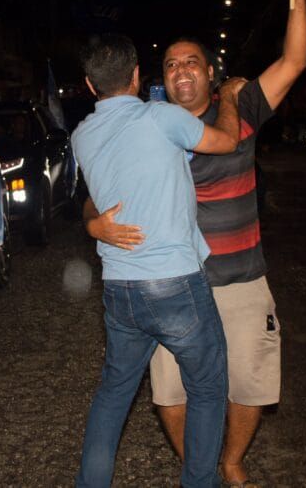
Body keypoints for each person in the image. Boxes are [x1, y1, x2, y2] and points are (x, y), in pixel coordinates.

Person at [84, 0, 306, 487]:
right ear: (154, 78)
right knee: (171, 394)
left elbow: (296, 59)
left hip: (240, 279)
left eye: (191, 62)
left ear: (212, 72)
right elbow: (99, 189)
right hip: (175, 286)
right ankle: (198, 469)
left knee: (248, 384)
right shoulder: (147, 123)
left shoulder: (245, 105)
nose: (181, 70)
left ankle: (228, 462)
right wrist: (93, 223)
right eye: (170, 64)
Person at [72, 33, 246, 488]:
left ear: (90, 86)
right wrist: (226, 94)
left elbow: (94, 198)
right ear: (136, 77)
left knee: (113, 395)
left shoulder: (82, 135)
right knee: (207, 390)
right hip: (175, 287)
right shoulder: (162, 119)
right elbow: (227, 140)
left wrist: (92, 224)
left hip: (119, 289)